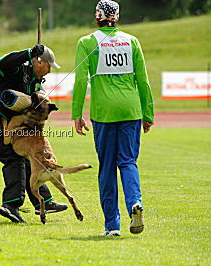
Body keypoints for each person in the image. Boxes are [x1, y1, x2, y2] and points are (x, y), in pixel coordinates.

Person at [72, 0, 154, 236]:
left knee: (107, 167)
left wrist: (77, 114)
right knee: (128, 161)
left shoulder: (87, 42)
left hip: (103, 112)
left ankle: (112, 226)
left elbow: (80, 81)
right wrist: (148, 113)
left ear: (97, 17)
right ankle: (134, 203)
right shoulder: (132, 41)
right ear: (117, 17)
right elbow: (144, 81)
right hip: (131, 110)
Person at [0, 44, 68, 223]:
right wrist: (30, 53)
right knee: (14, 159)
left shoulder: (35, 81)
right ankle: (10, 205)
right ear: (39, 62)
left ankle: (44, 202)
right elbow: (4, 63)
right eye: (49, 66)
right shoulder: (17, 69)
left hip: (7, 127)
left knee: (26, 159)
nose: (49, 71)